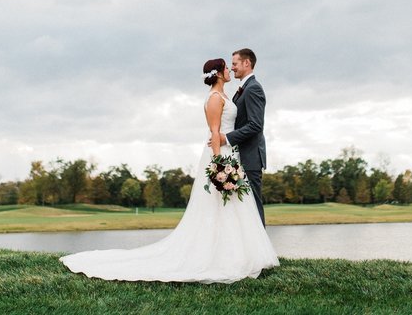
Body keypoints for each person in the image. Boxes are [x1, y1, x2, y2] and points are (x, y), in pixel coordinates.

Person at [59, 56, 278, 284]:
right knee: (220, 206)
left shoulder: (226, 94)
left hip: (231, 153)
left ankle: (242, 255)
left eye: (233, 65)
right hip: (221, 156)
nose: (230, 69)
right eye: (227, 67)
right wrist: (219, 166)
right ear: (219, 73)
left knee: (234, 207)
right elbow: (214, 133)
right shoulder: (214, 98)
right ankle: (221, 257)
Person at [218, 48, 267, 226]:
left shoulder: (253, 88)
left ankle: (263, 252)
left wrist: (227, 138)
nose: (232, 68)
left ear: (247, 63)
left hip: (251, 157)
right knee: (246, 206)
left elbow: (255, 125)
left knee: (254, 204)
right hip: (242, 155)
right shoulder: (244, 88)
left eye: (235, 64)